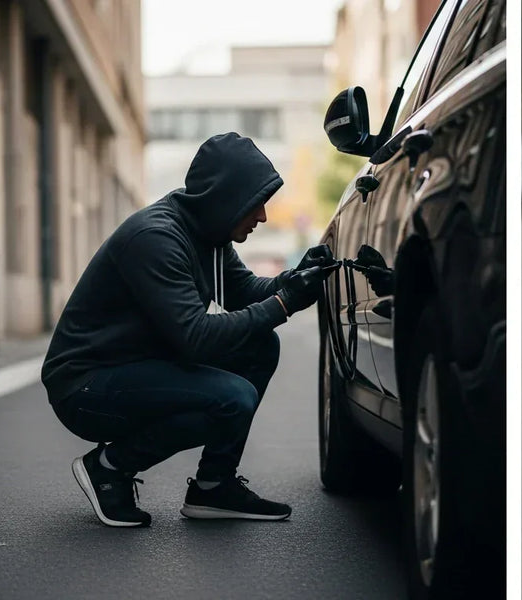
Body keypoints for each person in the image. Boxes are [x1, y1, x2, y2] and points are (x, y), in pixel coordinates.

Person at [41, 132, 336, 528]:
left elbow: (245, 292)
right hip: (85, 385)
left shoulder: (208, 233)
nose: (262, 216)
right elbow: (194, 338)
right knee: (233, 397)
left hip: (136, 365)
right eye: (256, 203)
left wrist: (296, 278)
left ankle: (213, 486)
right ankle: (110, 467)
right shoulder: (156, 238)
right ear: (227, 197)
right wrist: (284, 303)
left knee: (261, 346)